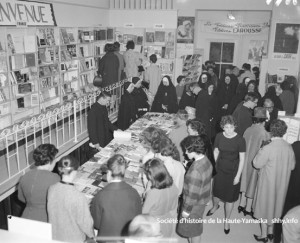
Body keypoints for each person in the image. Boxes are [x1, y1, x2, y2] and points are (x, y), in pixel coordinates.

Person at [252, 119, 295, 242]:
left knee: (264, 208)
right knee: (275, 208)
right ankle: (271, 233)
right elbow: (292, 166)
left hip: (268, 183)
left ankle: (264, 235)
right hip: (282, 184)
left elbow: (256, 164)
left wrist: (260, 149)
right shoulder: (289, 147)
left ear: (271, 131)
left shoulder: (268, 147)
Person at [207, 115, 246, 234]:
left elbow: (242, 159)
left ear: (235, 127)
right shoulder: (219, 136)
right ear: (222, 127)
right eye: (226, 127)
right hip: (220, 168)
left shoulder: (240, 140)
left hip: (233, 171)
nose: (228, 130)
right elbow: (216, 151)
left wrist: (238, 176)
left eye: (231, 127)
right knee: (216, 191)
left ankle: (227, 220)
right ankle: (215, 206)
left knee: (230, 198)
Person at [91, 154, 142, 236]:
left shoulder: (100, 196)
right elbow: (138, 219)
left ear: (109, 172)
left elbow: (96, 224)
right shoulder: (134, 193)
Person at [47, 156, 94, 242]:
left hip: (55, 236)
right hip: (74, 238)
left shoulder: (51, 189)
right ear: (74, 171)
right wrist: (92, 236)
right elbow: (86, 224)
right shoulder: (78, 196)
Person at [177, 136, 212, 243]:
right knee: (195, 228)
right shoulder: (206, 159)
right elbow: (207, 181)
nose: (185, 153)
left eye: (187, 150)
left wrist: (186, 211)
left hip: (193, 206)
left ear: (194, 150)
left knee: (192, 230)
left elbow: (191, 195)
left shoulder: (195, 171)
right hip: (202, 200)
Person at [238, 107, 270, 217]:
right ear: (264, 120)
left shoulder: (248, 130)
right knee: (253, 183)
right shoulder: (264, 133)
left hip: (245, 160)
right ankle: (248, 208)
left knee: (245, 180)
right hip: (256, 161)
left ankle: (241, 204)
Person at [18, 144, 60, 222]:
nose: (56, 161)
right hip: (46, 218)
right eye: (55, 158)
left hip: (26, 217)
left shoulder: (24, 177)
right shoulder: (55, 178)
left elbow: (21, 198)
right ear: (50, 160)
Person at [142, 158, 179, 237]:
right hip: (167, 222)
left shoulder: (153, 193)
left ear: (151, 175)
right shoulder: (174, 186)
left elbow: (144, 214)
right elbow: (174, 208)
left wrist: (145, 195)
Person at [87, 91, 117, 155]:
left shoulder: (103, 107)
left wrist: (115, 129)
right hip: (98, 140)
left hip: (105, 137)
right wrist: (96, 143)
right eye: (107, 100)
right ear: (102, 98)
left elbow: (107, 122)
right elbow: (91, 129)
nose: (108, 102)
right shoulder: (93, 111)